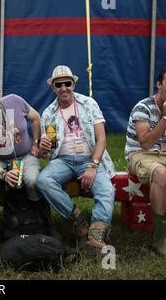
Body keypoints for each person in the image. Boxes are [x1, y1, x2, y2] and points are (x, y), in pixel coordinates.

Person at [36, 65, 116, 252]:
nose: (63, 88)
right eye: (59, 84)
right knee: (43, 180)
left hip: (90, 156)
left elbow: (102, 139)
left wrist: (93, 166)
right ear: (53, 88)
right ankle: (78, 221)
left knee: (106, 190)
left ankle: (96, 237)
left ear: (73, 84)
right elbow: (47, 153)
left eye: (67, 83)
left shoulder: (89, 104)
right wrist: (43, 147)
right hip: (62, 159)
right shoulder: (48, 113)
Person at [0, 76, 45, 247]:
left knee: (33, 180)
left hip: (26, 155)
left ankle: (43, 224)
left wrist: (36, 142)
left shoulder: (14, 101)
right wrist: (3, 175)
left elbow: (35, 117)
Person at [125, 67, 166, 256]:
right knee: (160, 172)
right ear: (159, 84)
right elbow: (145, 143)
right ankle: (160, 239)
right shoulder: (142, 107)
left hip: (164, 155)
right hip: (139, 155)